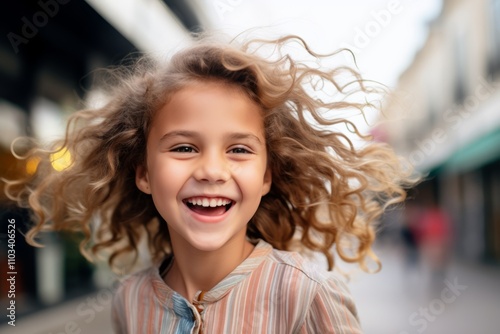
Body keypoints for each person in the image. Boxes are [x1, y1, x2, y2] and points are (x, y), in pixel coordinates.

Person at [4, 34, 416, 333]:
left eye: (239, 150)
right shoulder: (129, 300)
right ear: (143, 173)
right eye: (184, 148)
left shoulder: (306, 294)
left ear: (267, 175)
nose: (212, 170)